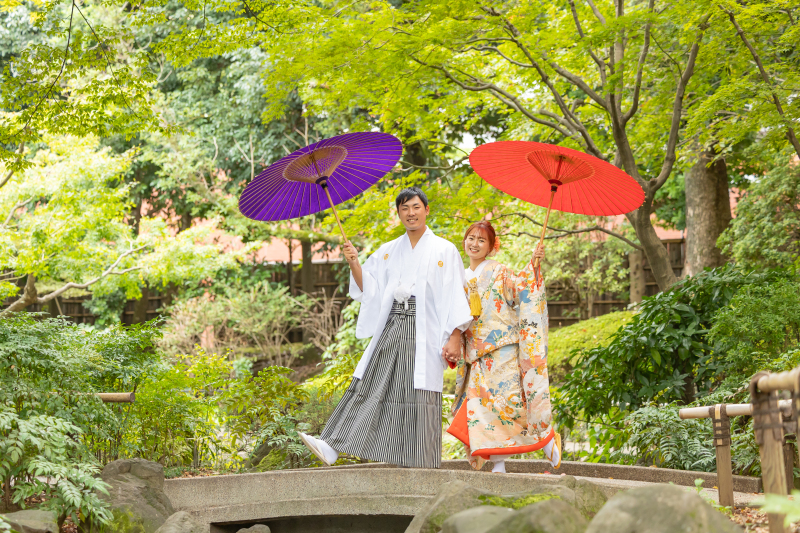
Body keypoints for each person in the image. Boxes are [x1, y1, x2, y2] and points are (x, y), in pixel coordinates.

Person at [298, 187, 473, 469]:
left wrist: (455, 336)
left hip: (424, 328)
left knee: (418, 393)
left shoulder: (444, 249)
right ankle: (333, 446)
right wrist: (354, 262)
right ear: (399, 214)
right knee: (370, 382)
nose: (411, 213)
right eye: (404, 209)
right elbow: (370, 288)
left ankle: (422, 463)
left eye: (416, 207)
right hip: (393, 324)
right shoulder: (389, 251)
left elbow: (455, 294)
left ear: (426, 210)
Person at [445, 220, 561, 473]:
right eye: (470, 238)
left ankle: (546, 439)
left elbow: (524, 288)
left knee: (508, 405)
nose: (474, 244)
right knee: (481, 410)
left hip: (502, 348)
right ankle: (499, 464)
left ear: (491, 246)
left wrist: (534, 265)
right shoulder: (460, 276)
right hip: (475, 355)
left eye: (481, 240)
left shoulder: (500, 271)